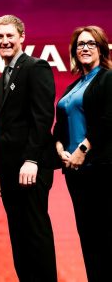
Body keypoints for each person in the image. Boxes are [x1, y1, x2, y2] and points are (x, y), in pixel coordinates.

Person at [0, 15, 57, 281]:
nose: (5, 41)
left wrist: (31, 159)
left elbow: (43, 117)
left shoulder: (36, 66)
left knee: (35, 232)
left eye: (10, 36)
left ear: (22, 37)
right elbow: (1, 129)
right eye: (0, 37)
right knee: (18, 235)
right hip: (9, 172)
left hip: (31, 167)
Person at [54, 26, 112, 281]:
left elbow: (108, 120)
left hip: (102, 169)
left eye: (91, 44)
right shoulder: (72, 87)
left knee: (106, 238)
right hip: (76, 174)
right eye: (80, 44)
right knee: (88, 238)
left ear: (101, 49)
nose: (85, 48)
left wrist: (83, 149)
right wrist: (60, 151)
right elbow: (58, 129)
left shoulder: (108, 79)